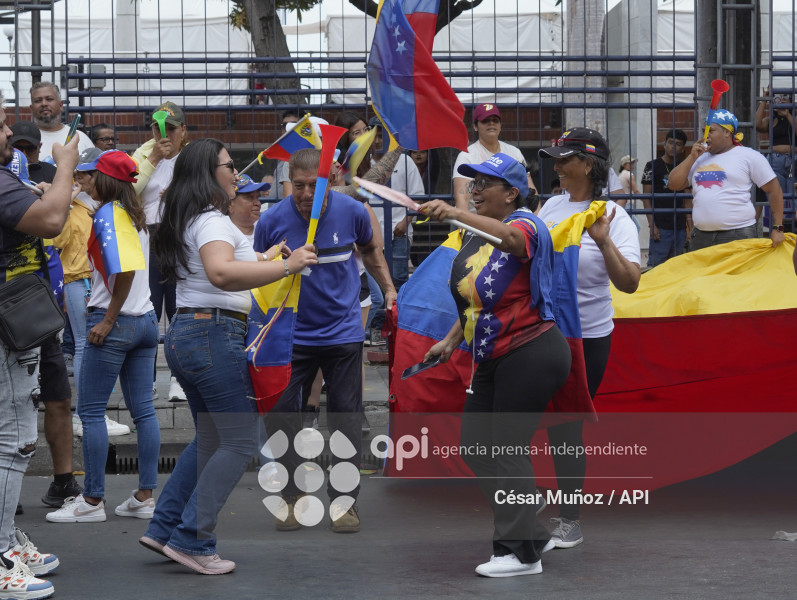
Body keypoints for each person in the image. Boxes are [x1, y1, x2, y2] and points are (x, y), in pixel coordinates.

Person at [141, 138, 317, 575]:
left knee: (212, 438)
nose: (235, 173)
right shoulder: (213, 222)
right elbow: (221, 273)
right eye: (227, 165)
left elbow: (224, 266)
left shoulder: (196, 219)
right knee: (238, 441)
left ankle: (164, 529)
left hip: (191, 332)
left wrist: (266, 257)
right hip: (212, 334)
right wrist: (286, 266)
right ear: (208, 174)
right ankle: (192, 540)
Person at [421, 153, 571, 577]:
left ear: (512, 193)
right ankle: (530, 530)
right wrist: (450, 340)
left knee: (506, 449)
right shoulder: (473, 234)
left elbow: (512, 241)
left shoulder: (527, 224)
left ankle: (519, 554)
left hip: (531, 351)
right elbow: (477, 300)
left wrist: (455, 212)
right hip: (491, 355)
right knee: (476, 447)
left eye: (486, 183)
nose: (475, 189)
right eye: (472, 183)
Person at [254, 148, 396, 534]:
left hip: (342, 334)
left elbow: (370, 251)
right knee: (283, 417)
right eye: (297, 186)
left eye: (312, 186)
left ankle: (343, 504)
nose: (304, 194)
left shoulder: (353, 212)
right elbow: (256, 273)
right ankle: (290, 498)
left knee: (346, 418)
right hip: (291, 335)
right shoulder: (272, 221)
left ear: (330, 181)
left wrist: (389, 289)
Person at [538, 127, 641, 548]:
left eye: (565, 159)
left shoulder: (614, 217)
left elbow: (631, 283)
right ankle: (528, 506)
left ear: (589, 164)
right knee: (523, 423)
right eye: (556, 159)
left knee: (565, 428)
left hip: (586, 337)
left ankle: (570, 519)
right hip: (541, 331)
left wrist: (602, 243)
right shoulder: (549, 206)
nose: (557, 166)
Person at [46, 150, 160, 524]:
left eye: (90, 176)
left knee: (91, 412)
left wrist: (108, 319)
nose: (85, 181)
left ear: (105, 181)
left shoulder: (109, 214)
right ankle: (144, 496)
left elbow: (123, 273)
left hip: (116, 322)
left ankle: (92, 501)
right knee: (143, 412)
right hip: (144, 320)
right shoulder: (133, 214)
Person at [0, 97, 79, 598]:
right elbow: (51, 221)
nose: (7, 131)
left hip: (20, 321)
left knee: (17, 436)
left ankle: (6, 539)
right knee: (12, 440)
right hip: (10, 324)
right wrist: (67, 166)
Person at [131, 101, 188, 402]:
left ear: (183, 130)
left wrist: (180, 194)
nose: (164, 133)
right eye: (157, 127)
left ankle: (179, 379)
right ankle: (147, 380)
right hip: (149, 238)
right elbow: (128, 191)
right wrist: (154, 156)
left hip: (180, 239)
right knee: (148, 313)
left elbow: (210, 196)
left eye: (171, 127)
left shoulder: (192, 159)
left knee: (179, 311)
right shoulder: (141, 154)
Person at [667, 109, 785, 250]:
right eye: (704, 131)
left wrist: (778, 227)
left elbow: (774, 190)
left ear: (727, 132)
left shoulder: (749, 156)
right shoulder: (698, 158)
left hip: (738, 234)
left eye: (711, 131)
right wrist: (692, 157)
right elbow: (673, 184)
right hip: (701, 236)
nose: (706, 136)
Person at [368, 116, 424, 289]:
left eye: (381, 136)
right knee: (372, 282)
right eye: (374, 136)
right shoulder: (363, 163)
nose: (377, 141)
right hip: (369, 233)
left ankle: (396, 315)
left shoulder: (405, 161)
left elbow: (418, 196)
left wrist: (404, 222)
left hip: (398, 232)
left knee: (398, 279)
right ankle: (380, 316)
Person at [452, 103, 527, 212]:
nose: (491, 123)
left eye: (495, 120)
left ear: (500, 125)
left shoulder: (514, 152)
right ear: (475, 126)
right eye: (485, 120)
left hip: (511, 220)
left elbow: (529, 189)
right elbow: (462, 198)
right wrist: (463, 226)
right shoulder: (466, 155)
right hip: (476, 222)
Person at [641, 129, 692, 267]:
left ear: (682, 148)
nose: (673, 146)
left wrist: (690, 228)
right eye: (670, 142)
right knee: (655, 268)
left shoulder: (684, 167)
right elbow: (646, 198)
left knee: (677, 268)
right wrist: (652, 225)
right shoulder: (651, 166)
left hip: (680, 227)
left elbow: (687, 199)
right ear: (664, 144)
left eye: (678, 144)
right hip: (661, 226)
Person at [755, 86, 796, 218]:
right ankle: (780, 228)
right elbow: (757, 124)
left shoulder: (794, 117)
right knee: (779, 197)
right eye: (778, 98)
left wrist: (788, 113)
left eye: (785, 98)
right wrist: (765, 99)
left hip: (793, 160)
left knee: (795, 197)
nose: (782, 101)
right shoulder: (772, 119)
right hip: (776, 160)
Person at [29, 81, 94, 158]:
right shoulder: (24, 140)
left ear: (60, 105)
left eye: (49, 99)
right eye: (38, 101)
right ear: (32, 108)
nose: (44, 104)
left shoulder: (80, 138)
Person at [227, 174, 269, 244]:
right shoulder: (221, 233)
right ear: (230, 204)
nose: (258, 203)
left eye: (257, 197)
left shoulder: (267, 229)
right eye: (249, 197)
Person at [274, 110, 299, 199]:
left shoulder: (301, 157)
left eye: (293, 125)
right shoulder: (283, 154)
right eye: (284, 126)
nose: (287, 129)